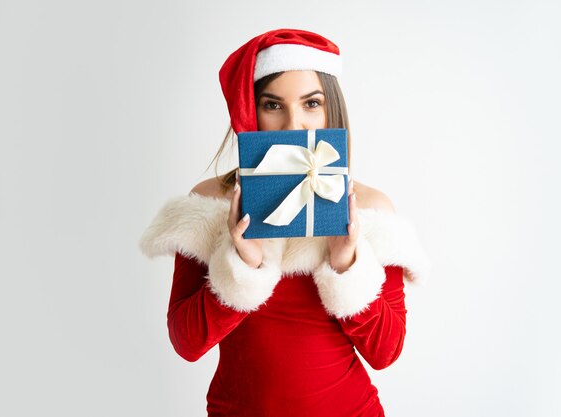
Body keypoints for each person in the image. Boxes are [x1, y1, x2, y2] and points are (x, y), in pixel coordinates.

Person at [139, 28, 430, 417]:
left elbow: (386, 352)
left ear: (332, 110)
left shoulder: (368, 208)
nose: (295, 125)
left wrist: (345, 265)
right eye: (273, 105)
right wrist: (244, 267)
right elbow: (187, 342)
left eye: (311, 103)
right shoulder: (210, 203)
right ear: (250, 111)